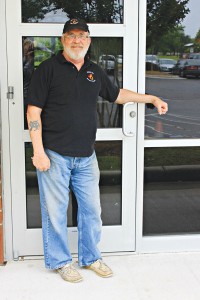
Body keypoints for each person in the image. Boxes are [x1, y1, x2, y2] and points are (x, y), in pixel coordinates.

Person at [26, 18, 168, 283]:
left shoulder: (94, 71)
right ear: (62, 40)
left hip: (86, 156)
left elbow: (117, 95)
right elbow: (33, 111)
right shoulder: (47, 69)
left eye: (82, 35)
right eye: (71, 35)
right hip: (55, 154)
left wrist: (151, 98)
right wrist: (38, 151)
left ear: (89, 41)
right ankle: (61, 262)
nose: (77, 40)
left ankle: (90, 257)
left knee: (92, 211)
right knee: (55, 213)